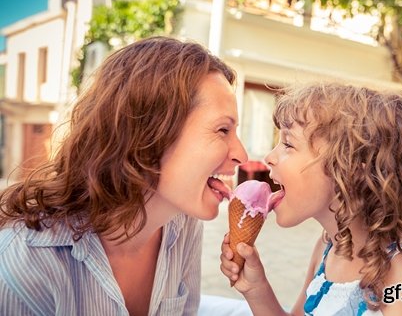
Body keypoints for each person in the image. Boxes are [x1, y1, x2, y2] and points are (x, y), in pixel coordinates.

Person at [0, 36, 248, 315]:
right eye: (222, 130)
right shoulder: (24, 265)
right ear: (150, 134)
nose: (242, 155)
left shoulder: (184, 224)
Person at [220, 82, 402, 315]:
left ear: (353, 169)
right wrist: (256, 290)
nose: (270, 157)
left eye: (289, 144)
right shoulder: (329, 247)